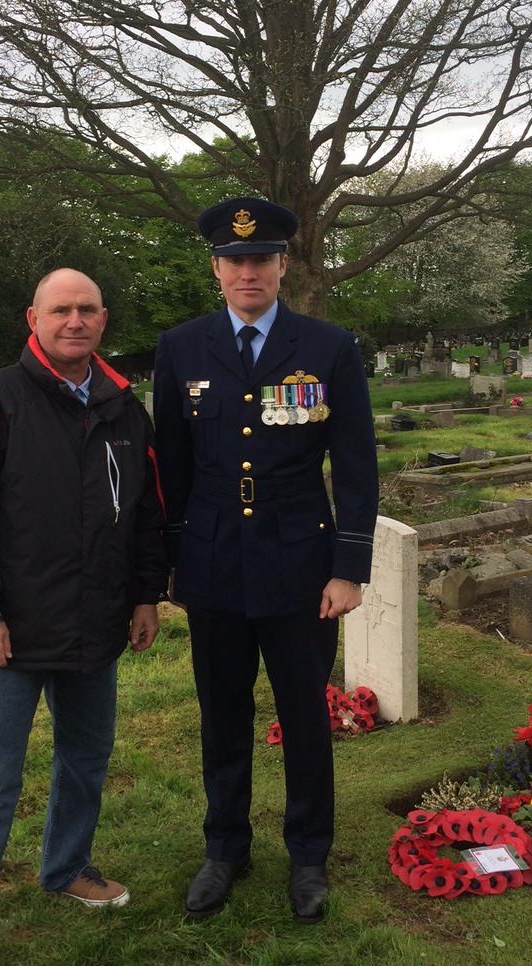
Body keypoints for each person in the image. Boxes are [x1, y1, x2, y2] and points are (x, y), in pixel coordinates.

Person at [0, 269, 168, 966]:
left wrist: (145, 597)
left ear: (104, 319)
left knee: (85, 758)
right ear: (31, 317)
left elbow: (148, 515)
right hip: (11, 631)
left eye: (87, 309)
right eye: (60, 309)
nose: (75, 320)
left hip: (96, 626)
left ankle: (66, 867)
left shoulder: (124, 409)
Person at [154, 197, 378, 925]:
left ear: (283, 264)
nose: (247, 271)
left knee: (304, 716)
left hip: (301, 564)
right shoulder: (180, 348)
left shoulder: (329, 347)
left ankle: (308, 854)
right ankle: (225, 848)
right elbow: (172, 469)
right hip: (215, 561)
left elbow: (354, 466)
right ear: (217, 269)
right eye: (234, 260)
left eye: (261, 259)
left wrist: (348, 567)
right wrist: (171, 566)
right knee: (221, 714)